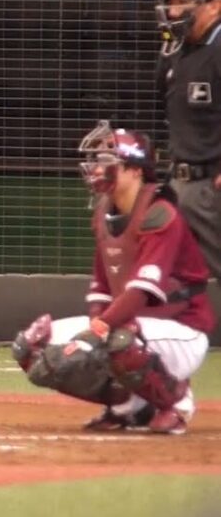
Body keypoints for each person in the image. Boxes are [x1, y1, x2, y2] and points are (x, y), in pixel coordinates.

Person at [11, 122, 215, 434]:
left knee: (118, 337)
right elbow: (101, 288)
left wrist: (97, 331)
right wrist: (97, 325)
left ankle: (176, 401)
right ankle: (128, 406)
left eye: (107, 161)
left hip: (182, 331)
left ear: (135, 170)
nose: (96, 168)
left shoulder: (160, 213)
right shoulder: (104, 212)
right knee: (31, 346)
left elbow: (140, 291)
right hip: (132, 327)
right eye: (96, 161)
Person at [154, 0, 221, 282]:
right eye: (170, 2)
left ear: (215, 6)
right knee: (178, 278)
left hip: (212, 188)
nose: (173, 10)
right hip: (178, 184)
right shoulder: (173, 53)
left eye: (184, 1)